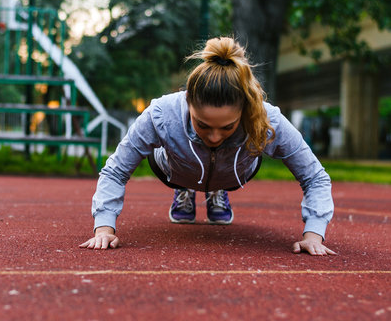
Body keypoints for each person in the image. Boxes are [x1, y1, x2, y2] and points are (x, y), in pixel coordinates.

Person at [79, 37, 336, 256]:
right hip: (175, 167)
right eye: (202, 125)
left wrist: (314, 235)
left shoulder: (267, 118)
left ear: (245, 110)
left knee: (234, 152)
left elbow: (315, 177)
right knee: (180, 151)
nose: (214, 137)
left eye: (227, 127)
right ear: (188, 101)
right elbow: (115, 170)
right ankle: (185, 187)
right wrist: (104, 228)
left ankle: (217, 190)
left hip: (234, 171)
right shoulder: (161, 113)